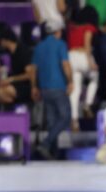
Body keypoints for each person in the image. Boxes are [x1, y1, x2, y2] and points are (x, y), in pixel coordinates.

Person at [30, 24, 72, 160]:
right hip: (58, 86)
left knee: (52, 121)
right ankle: (46, 144)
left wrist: (34, 87)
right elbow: (65, 64)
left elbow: (33, 69)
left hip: (44, 87)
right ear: (58, 31)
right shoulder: (60, 44)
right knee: (65, 117)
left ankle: (53, 153)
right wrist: (70, 81)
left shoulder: (39, 46)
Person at [66, 6, 99, 130]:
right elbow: (87, 45)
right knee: (95, 77)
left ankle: (74, 120)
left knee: (75, 89)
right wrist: (90, 62)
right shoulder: (89, 27)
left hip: (70, 58)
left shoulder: (71, 28)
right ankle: (87, 104)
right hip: (82, 56)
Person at [0, 30, 36, 107]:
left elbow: (30, 74)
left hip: (26, 85)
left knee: (5, 91)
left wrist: (11, 79)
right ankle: (11, 111)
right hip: (16, 83)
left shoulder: (23, 51)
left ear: (5, 40)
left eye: (1, 41)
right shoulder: (10, 53)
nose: (0, 44)